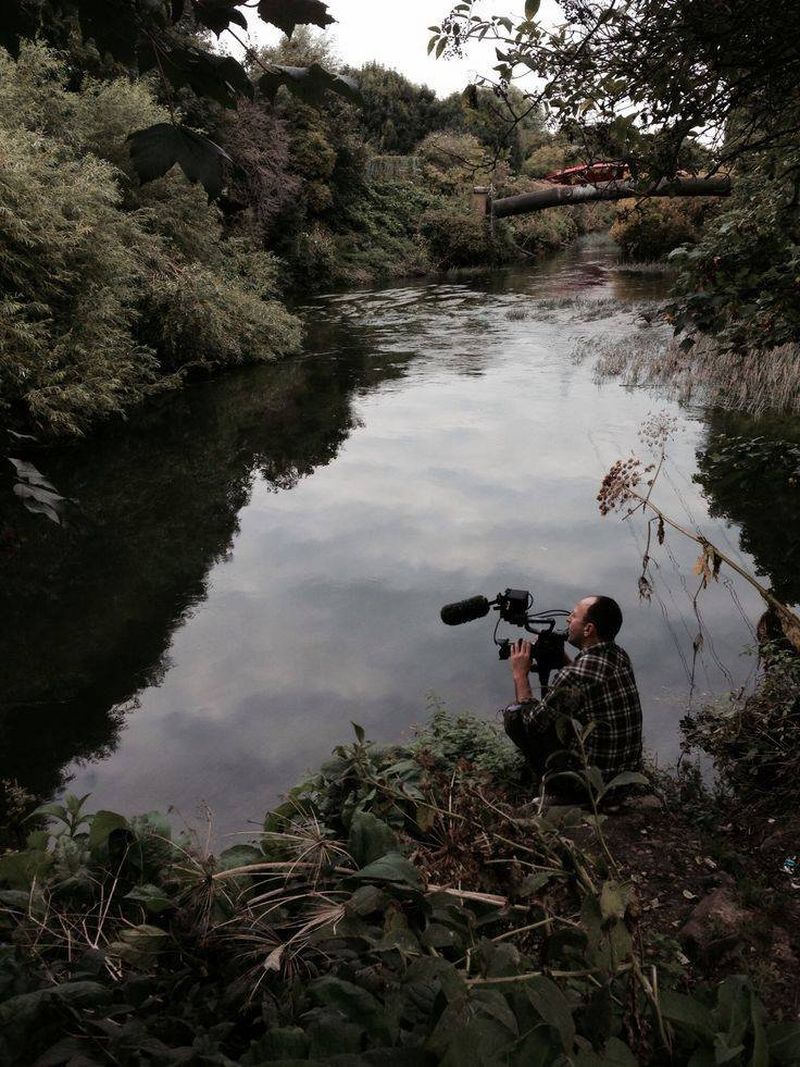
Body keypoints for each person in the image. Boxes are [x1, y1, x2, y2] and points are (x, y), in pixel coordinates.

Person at [502, 595, 642, 786]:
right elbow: (586, 686)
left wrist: (520, 674)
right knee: (561, 717)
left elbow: (532, 725)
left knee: (514, 715)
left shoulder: (574, 674)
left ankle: (550, 782)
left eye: (574, 616)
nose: (568, 619)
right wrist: (563, 659)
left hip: (590, 784)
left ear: (588, 629)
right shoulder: (620, 656)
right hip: (624, 776)